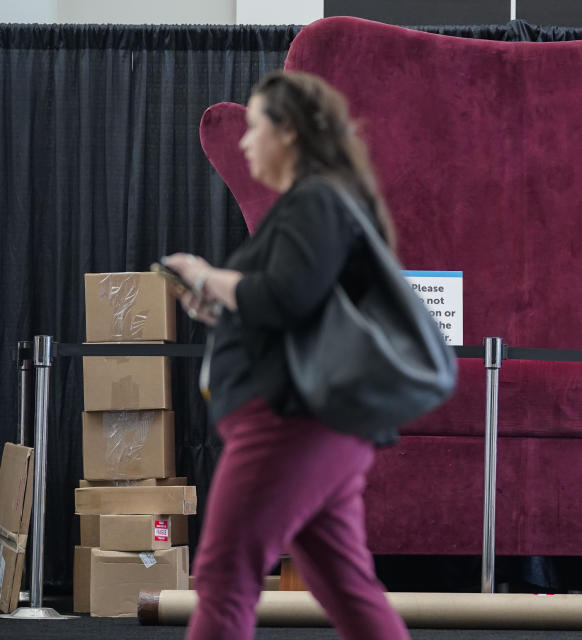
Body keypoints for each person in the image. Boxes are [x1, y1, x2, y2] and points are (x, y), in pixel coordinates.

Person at [163, 70, 410, 640]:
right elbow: (291, 307)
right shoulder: (320, 203)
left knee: (223, 577)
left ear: (290, 132)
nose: (245, 141)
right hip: (316, 426)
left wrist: (207, 275)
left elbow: (285, 296)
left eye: (255, 126)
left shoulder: (316, 201)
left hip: (288, 426)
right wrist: (217, 306)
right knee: (347, 591)